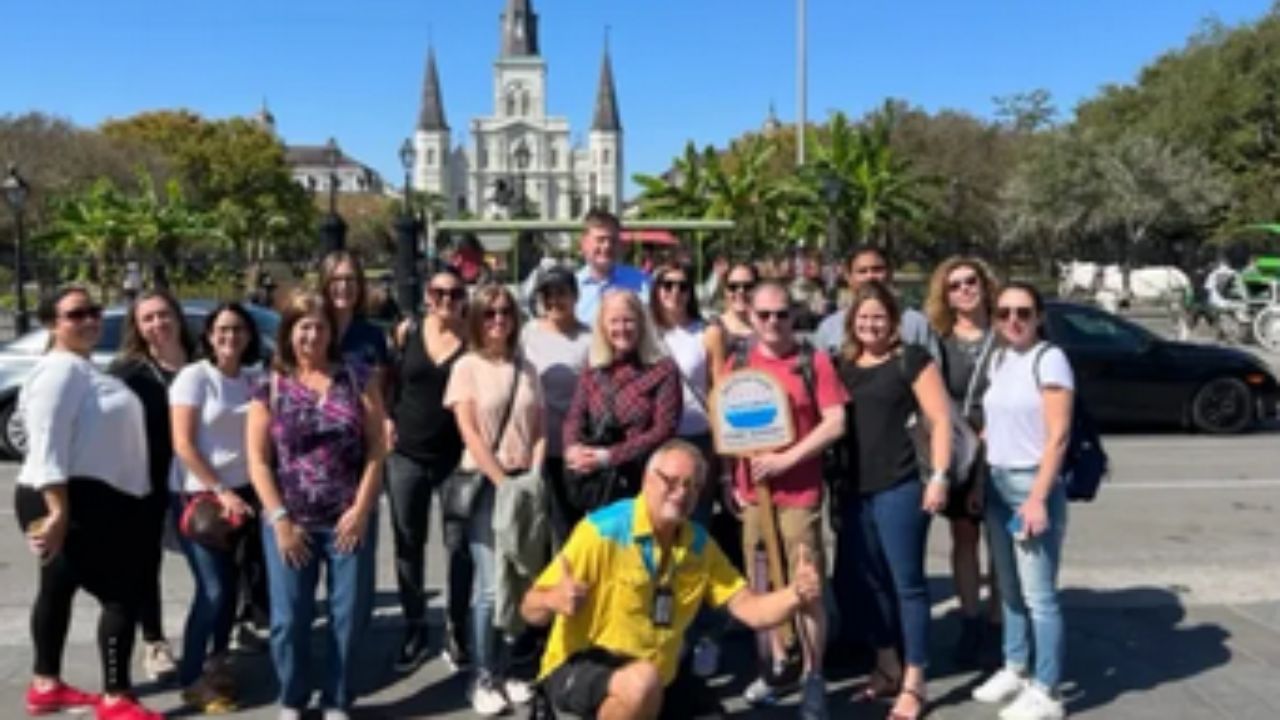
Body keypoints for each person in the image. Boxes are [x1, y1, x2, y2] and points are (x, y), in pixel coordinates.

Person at [521, 439, 824, 720]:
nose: (681, 493)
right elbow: (529, 607)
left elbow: (750, 608)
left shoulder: (700, 546)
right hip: (581, 665)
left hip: (658, 673)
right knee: (641, 683)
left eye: (692, 487)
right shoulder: (602, 531)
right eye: (671, 482)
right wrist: (552, 599)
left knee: (691, 703)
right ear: (647, 480)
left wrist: (796, 594)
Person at [15, 286, 164, 719]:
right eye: (75, 314)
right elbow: (46, 444)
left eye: (94, 312)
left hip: (92, 494)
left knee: (57, 588)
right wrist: (58, 510)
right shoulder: (58, 371)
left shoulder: (82, 369)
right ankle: (116, 697)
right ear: (51, 323)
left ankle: (46, 685)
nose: (89, 321)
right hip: (69, 495)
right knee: (121, 594)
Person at [246, 289, 387, 720]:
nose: (312, 335)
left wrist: (361, 510)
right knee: (289, 620)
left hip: (347, 517)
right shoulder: (269, 385)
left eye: (320, 326)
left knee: (347, 618)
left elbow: (377, 449)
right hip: (292, 521)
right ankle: (292, 697)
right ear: (289, 333)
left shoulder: (358, 376)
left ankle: (336, 698)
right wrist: (280, 520)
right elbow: (258, 461)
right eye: (303, 326)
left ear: (331, 332)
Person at [833, 281, 952, 720]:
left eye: (879, 317)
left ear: (894, 321)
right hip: (853, 491)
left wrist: (939, 477)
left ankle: (915, 681)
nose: (871, 324)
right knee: (867, 583)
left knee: (907, 585)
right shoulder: (842, 365)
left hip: (900, 485)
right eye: (863, 317)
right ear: (852, 321)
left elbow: (940, 420)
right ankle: (887, 664)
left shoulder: (911, 360)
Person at [729, 280, 847, 717]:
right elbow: (727, 424)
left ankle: (815, 675)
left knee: (806, 583)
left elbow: (835, 422)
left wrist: (787, 458)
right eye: (764, 315)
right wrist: (733, 481)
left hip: (799, 491)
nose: (773, 323)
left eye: (781, 314)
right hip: (753, 494)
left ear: (793, 315)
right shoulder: (739, 360)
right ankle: (777, 665)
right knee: (761, 583)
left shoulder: (811, 361)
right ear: (751, 317)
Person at [971, 283, 1073, 720]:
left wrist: (1037, 499)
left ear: (1039, 316)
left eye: (1024, 312)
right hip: (997, 481)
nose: (1013, 320)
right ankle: (1015, 665)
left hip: (1032, 484)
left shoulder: (1049, 360)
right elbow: (999, 423)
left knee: (1039, 595)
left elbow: (1058, 437)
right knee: (1008, 588)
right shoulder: (998, 358)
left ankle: (1047, 689)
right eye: (1005, 312)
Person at [443, 284, 544, 716]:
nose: (499, 320)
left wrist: (534, 475)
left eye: (506, 312)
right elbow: (469, 432)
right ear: (477, 320)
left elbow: (539, 427)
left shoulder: (527, 366)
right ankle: (482, 674)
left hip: (525, 481)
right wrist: (502, 480)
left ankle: (513, 669)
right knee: (489, 588)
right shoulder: (466, 367)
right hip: (488, 484)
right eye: (489, 313)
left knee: (522, 580)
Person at [169, 302, 264, 713]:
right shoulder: (194, 378)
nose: (230, 337)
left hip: (244, 495)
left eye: (239, 329)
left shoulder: (252, 379)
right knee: (213, 590)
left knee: (230, 589)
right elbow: (184, 444)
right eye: (222, 329)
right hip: (201, 497)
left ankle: (217, 662)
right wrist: (220, 490)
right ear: (208, 335)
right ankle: (191, 676)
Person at [385, 268, 475, 673]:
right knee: (408, 543)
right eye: (439, 292)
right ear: (427, 295)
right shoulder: (407, 332)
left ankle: (456, 626)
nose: (446, 300)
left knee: (458, 546)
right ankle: (414, 624)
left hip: (455, 458)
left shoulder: (473, 338)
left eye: (455, 293)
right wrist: (386, 418)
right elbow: (390, 382)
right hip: (406, 453)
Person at [110, 289, 196, 683]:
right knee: (146, 563)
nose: (158, 324)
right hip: (147, 480)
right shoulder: (127, 373)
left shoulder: (204, 363)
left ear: (177, 317)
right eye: (148, 319)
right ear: (138, 327)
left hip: (201, 477)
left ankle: (237, 620)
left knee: (222, 556)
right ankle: (155, 640)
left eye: (164, 315)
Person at [924, 257, 1005, 665]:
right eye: (954, 286)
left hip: (1005, 447)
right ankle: (970, 621)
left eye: (970, 281)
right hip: (963, 450)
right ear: (945, 295)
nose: (964, 290)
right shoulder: (940, 340)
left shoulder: (1005, 333)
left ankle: (998, 622)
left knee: (1002, 539)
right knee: (965, 536)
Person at [562, 290, 682, 524]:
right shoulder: (595, 366)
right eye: (614, 321)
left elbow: (664, 429)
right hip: (599, 484)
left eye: (628, 320)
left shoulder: (663, 369)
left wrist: (610, 456)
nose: (622, 328)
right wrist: (572, 448)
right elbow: (575, 414)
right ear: (603, 326)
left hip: (644, 480)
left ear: (641, 322)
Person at [521, 266, 593, 546]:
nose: (554, 301)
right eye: (547, 294)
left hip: (575, 448)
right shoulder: (527, 335)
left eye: (561, 293)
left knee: (570, 534)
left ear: (575, 296)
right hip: (536, 449)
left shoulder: (589, 338)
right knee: (537, 534)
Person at [813, 245, 938, 358]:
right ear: (848, 277)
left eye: (877, 269)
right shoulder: (829, 328)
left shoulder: (916, 324)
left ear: (889, 273)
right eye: (862, 271)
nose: (870, 276)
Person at [574, 209, 651, 325]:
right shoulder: (572, 287)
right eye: (600, 240)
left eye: (613, 240)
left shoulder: (641, 282)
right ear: (584, 243)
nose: (607, 246)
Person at [706, 261, 759, 375]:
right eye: (733, 287)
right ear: (725, 290)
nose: (741, 291)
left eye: (748, 286)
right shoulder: (714, 329)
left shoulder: (767, 326)